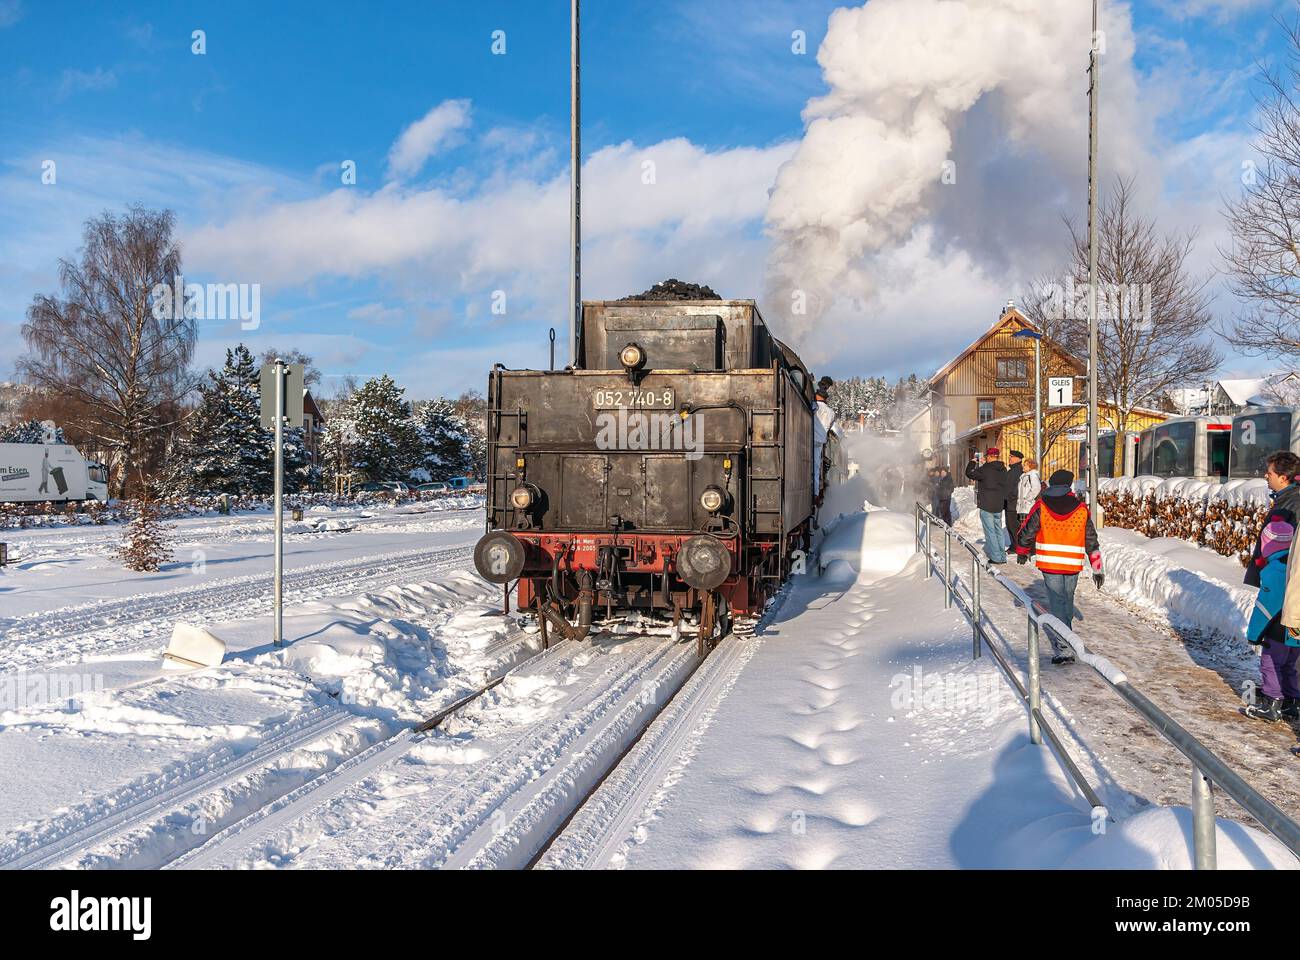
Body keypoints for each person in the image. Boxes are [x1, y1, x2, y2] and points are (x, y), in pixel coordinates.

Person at [1015, 469, 1103, 665]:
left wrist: (1022, 550)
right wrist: (1098, 568)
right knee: (1066, 602)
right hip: (1072, 564)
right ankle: (1067, 639)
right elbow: (1091, 539)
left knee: (1057, 605)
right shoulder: (1081, 508)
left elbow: (1028, 529)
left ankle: (1064, 649)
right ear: (1069, 485)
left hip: (1050, 564)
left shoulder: (1041, 506)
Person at [1243, 451, 1300, 722]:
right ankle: (1290, 698)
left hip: (1285, 589)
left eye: (1270, 472)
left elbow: (1283, 552)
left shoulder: (1290, 505)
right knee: (1290, 650)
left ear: (1283, 476)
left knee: (1277, 647)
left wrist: (1265, 565)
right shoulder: (1287, 500)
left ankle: (1274, 699)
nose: (1266, 475)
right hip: (1287, 587)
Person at [965, 447, 1011, 563]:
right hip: (998, 504)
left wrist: (973, 462)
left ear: (989, 456)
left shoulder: (985, 469)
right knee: (998, 530)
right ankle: (1002, 556)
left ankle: (996, 557)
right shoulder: (1003, 469)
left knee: (990, 532)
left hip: (987, 504)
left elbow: (969, 473)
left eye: (986, 456)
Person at [1003, 450, 1024, 545]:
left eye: (1011, 456)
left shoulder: (1019, 471)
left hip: (1013, 503)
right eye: (1009, 456)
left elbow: (1017, 488)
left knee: (1013, 526)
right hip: (1008, 503)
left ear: (1018, 459)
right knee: (1009, 525)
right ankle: (1013, 545)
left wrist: (1011, 497)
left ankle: (1016, 546)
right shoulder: (1012, 470)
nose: (1009, 458)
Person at [1014, 457, 1041, 531]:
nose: (1023, 466)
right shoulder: (1023, 476)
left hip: (1028, 507)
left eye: (1025, 465)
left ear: (1030, 467)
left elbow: (1036, 488)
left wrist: (1028, 499)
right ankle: (1019, 542)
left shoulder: (1032, 475)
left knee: (1026, 529)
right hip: (1021, 507)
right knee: (1021, 528)